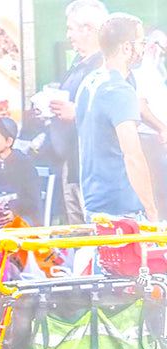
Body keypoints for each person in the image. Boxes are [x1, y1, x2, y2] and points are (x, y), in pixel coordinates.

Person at [76, 12, 159, 222]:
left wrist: (160, 127)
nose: (144, 48)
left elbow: (135, 105)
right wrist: (152, 211)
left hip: (95, 200)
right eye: (141, 42)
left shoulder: (90, 82)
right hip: (122, 207)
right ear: (126, 47)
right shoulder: (118, 91)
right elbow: (132, 155)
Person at [48, 0, 109, 224]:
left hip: (95, 169)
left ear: (89, 29)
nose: (68, 35)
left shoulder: (107, 66)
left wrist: (78, 112)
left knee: (96, 233)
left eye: (71, 28)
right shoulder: (78, 64)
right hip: (72, 163)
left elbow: (117, 115)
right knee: (78, 234)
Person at [0, 117, 42, 227]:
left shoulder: (24, 163)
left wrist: (14, 212)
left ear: (8, 141)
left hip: (23, 215)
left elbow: (33, 198)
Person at [134, 29, 167, 217]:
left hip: (157, 140)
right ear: (152, 46)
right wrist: (161, 128)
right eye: (163, 49)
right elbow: (140, 105)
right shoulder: (142, 71)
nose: (163, 55)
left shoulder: (154, 72)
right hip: (149, 140)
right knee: (157, 193)